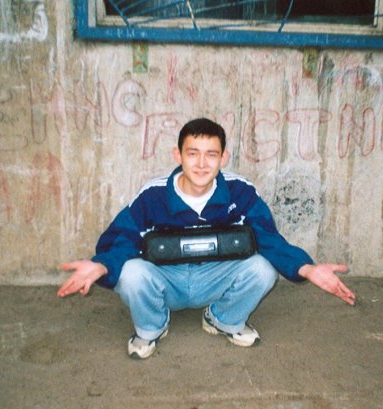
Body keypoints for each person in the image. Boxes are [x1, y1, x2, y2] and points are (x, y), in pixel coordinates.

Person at [57, 117, 356, 359]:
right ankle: (152, 327)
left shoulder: (240, 192)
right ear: (178, 155)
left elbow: (268, 237)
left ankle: (223, 318)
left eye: (211, 154)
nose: (201, 164)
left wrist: (306, 268)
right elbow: (122, 237)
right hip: (167, 281)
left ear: (223, 157)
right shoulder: (153, 195)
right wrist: (102, 265)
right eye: (193, 153)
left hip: (215, 278)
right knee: (131, 272)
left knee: (263, 268)